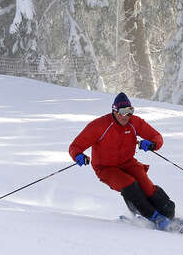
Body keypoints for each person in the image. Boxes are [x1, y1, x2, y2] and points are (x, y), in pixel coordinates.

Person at [69, 92, 177, 230]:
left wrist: (152, 144)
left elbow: (157, 136)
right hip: (106, 168)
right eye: (123, 112)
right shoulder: (100, 126)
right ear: (114, 111)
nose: (127, 116)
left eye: (130, 111)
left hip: (128, 162)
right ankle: (153, 216)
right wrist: (78, 155)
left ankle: (168, 213)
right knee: (129, 184)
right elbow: (75, 146)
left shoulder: (134, 122)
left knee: (146, 186)